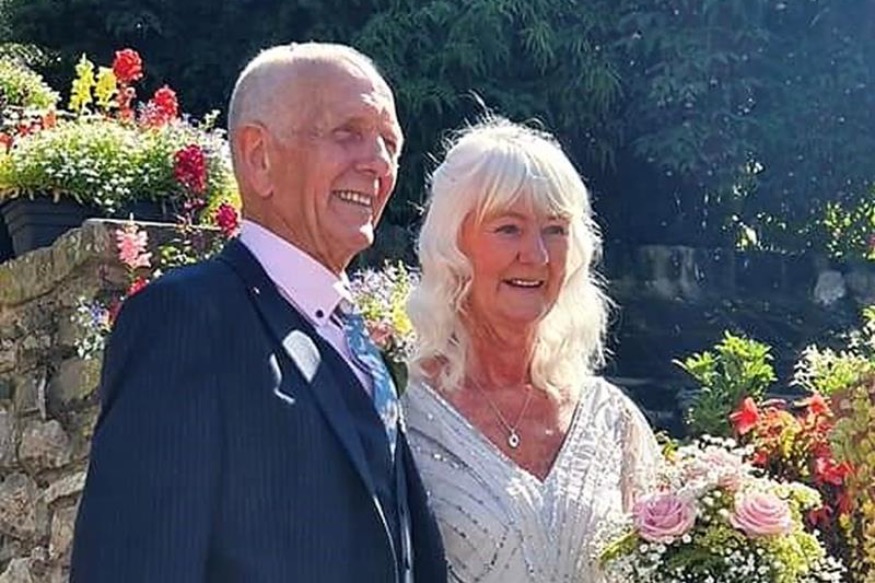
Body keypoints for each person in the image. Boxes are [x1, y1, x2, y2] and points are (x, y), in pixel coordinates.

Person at [70, 42, 446, 583]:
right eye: (348, 133)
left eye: (390, 143)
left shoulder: (353, 336)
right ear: (259, 157)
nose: (379, 163)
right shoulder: (187, 323)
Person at [403, 116, 661, 582]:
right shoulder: (402, 414)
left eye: (555, 230)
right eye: (509, 228)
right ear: (453, 243)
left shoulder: (612, 420)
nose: (537, 255)